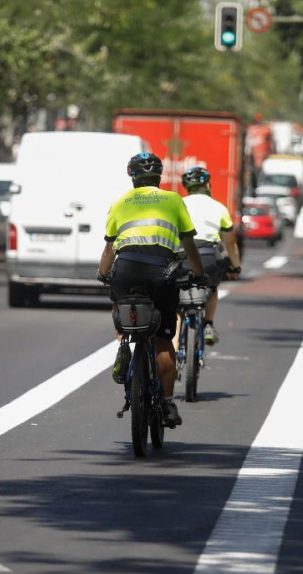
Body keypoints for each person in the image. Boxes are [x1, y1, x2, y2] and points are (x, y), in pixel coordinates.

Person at [97, 152, 206, 428]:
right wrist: (199, 273)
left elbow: (110, 247)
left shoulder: (120, 202)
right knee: (162, 340)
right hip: (161, 274)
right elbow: (189, 245)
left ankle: (123, 340)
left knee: (119, 299)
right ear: (159, 177)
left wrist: (102, 274)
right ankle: (168, 401)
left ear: (131, 176)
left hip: (127, 271)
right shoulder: (173, 200)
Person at [179, 166, 242, 345]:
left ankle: (176, 337)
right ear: (208, 185)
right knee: (212, 287)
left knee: (176, 292)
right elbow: (229, 242)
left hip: (182, 256)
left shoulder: (179, 204)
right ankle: (208, 324)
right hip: (208, 256)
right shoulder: (219, 207)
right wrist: (235, 266)